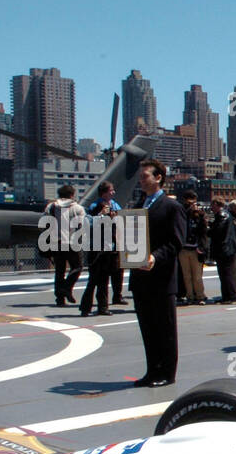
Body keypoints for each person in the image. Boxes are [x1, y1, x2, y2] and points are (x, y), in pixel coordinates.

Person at [129, 159, 186, 387]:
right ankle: (152, 370)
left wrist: (155, 257)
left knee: (165, 328)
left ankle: (167, 373)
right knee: (147, 327)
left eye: (145, 177)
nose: (142, 181)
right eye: (141, 177)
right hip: (140, 276)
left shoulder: (172, 207)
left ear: (159, 177)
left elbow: (176, 241)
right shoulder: (138, 205)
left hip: (161, 277)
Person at [81, 181, 121, 316]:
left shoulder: (115, 205)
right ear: (104, 192)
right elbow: (88, 223)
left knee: (104, 279)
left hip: (110, 247)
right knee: (93, 279)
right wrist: (101, 216)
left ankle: (103, 307)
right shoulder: (94, 206)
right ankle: (85, 307)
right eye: (111, 190)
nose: (113, 192)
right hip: (97, 247)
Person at [44, 184, 85, 307]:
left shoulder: (51, 207)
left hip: (56, 242)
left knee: (59, 271)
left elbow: (45, 222)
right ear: (72, 195)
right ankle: (67, 287)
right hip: (72, 242)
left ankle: (60, 299)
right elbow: (81, 226)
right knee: (77, 267)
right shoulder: (78, 208)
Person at [177, 190, 208, 305]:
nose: (191, 204)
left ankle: (200, 295)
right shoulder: (181, 211)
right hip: (184, 248)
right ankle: (189, 295)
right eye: (189, 201)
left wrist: (198, 215)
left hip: (195, 248)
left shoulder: (199, 214)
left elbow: (203, 230)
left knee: (197, 275)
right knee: (186, 275)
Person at [207, 198, 236, 304]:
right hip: (227, 248)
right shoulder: (226, 214)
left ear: (217, 204)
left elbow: (217, 231)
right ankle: (227, 296)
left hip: (225, 249)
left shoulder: (222, 215)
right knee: (225, 274)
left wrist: (208, 228)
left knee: (225, 274)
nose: (211, 207)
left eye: (212, 205)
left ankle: (230, 296)